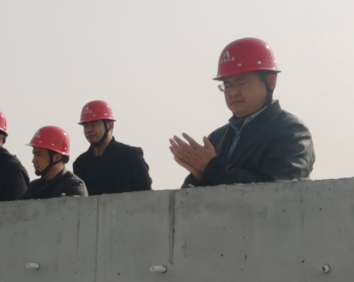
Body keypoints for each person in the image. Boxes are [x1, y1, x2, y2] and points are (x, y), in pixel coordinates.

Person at [170, 38, 314, 187]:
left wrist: (212, 167)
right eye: (227, 85)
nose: (233, 92)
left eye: (241, 82)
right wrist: (198, 178)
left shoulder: (292, 133)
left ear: (270, 81)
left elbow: (280, 191)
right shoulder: (217, 139)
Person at [72, 101, 152, 195]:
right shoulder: (80, 164)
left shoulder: (131, 157)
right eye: (85, 126)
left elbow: (146, 197)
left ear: (110, 125)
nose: (88, 130)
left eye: (94, 124)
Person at [22, 126, 87, 199]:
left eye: (38, 155)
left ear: (57, 157)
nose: (33, 160)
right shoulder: (33, 187)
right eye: (34, 155)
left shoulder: (74, 186)